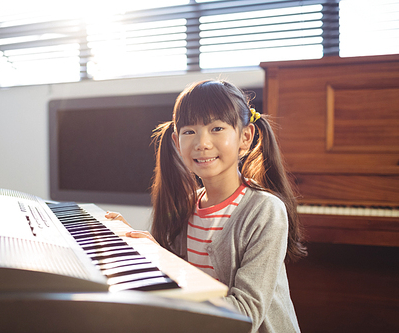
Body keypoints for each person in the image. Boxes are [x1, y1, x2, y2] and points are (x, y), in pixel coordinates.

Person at [106, 79, 306, 333]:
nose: (202, 142)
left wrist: (170, 273)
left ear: (245, 137)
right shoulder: (187, 206)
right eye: (190, 131)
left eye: (217, 128)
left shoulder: (265, 210)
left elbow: (244, 315)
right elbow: (184, 282)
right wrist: (149, 251)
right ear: (177, 142)